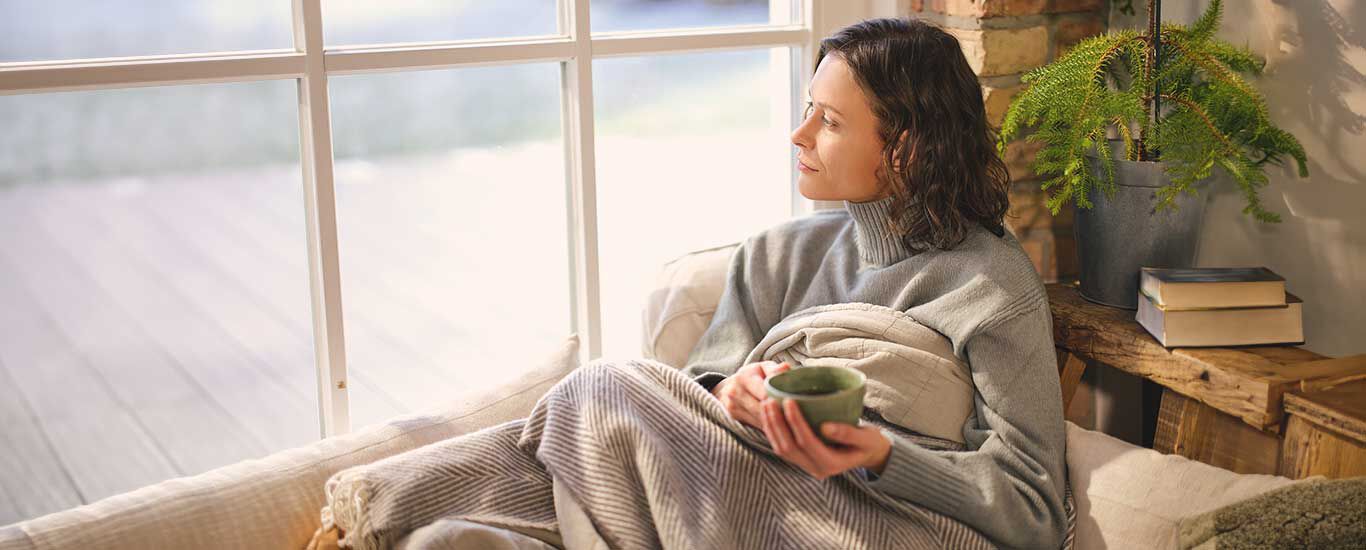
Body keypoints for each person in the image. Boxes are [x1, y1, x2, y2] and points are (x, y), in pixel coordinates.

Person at [680, 17, 1069, 549]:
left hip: (863, 520)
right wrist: (727, 390)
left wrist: (882, 454)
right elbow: (689, 395)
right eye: (807, 111)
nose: (800, 134)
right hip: (732, 483)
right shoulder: (772, 258)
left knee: (602, 388)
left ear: (904, 149)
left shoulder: (992, 289)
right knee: (599, 394)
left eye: (831, 122)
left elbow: (1035, 506)